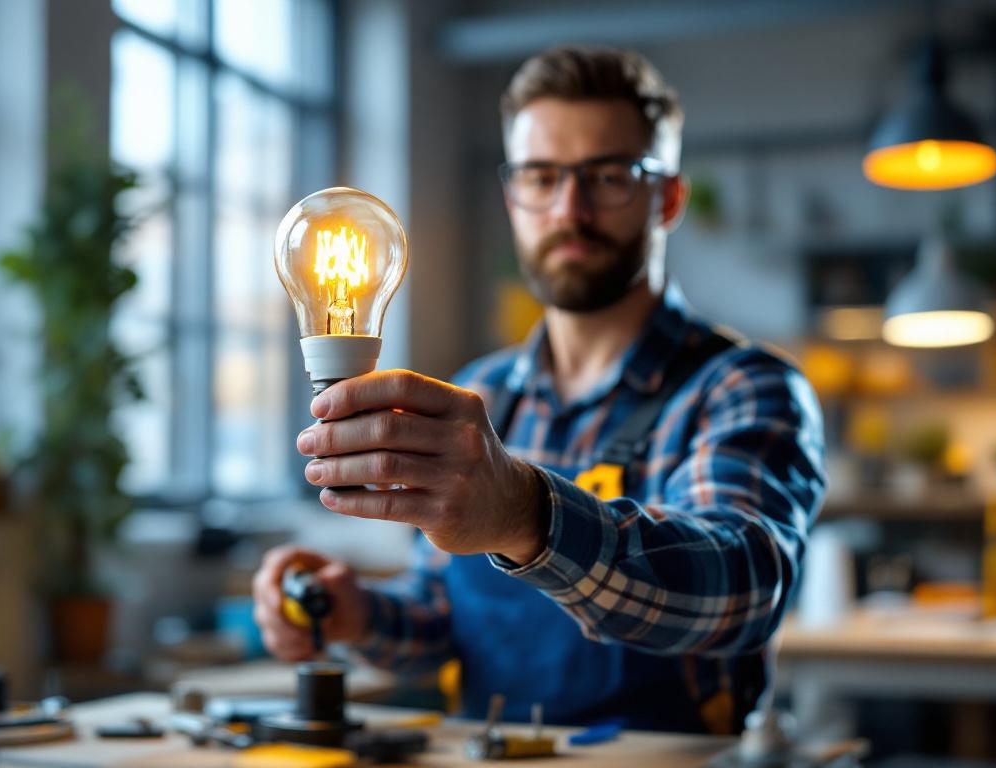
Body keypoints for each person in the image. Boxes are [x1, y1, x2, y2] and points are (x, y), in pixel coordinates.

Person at [253, 45, 825, 734]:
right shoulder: (481, 394)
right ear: (512, 196)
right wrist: (356, 613)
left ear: (667, 198)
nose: (568, 208)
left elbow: (742, 590)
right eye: (541, 176)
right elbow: (442, 618)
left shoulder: (742, 389)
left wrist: (529, 516)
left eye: (607, 176)